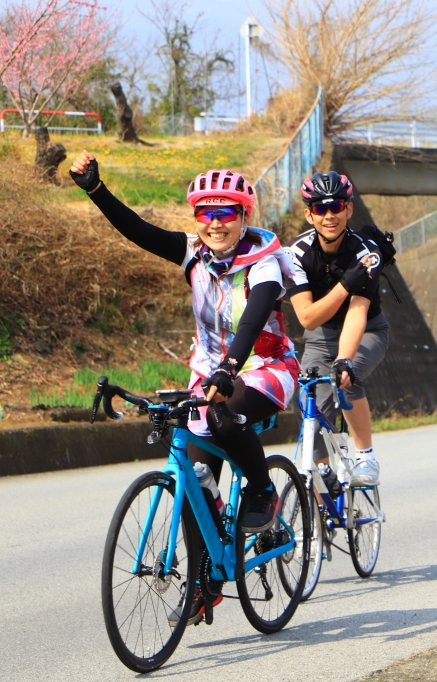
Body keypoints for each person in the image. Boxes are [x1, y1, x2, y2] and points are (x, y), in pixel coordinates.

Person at [69, 152, 300, 624]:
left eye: (226, 213)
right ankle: (204, 583)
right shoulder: (192, 252)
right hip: (207, 374)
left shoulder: (265, 260)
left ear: (243, 216)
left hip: (264, 367)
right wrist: (96, 190)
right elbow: (138, 231)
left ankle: (261, 491)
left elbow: (255, 316)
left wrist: (229, 368)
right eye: (205, 214)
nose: (214, 224)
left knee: (221, 413)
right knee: (194, 476)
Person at [286, 172, 390, 487]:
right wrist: (346, 284)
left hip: (367, 331)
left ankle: (365, 456)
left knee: (347, 377)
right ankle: (325, 475)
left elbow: (357, 314)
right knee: (307, 406)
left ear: (349, 209)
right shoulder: (296, 253)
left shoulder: (366, 253)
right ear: (308, 213)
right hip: (319, 337)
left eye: (336, 207)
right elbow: (307, 318)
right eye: (320, 209)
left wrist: (344, 359)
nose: (329, 216)